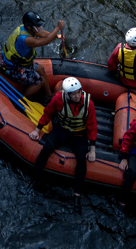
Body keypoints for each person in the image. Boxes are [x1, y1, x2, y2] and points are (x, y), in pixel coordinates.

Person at [29, 76, 97, 213]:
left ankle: (77, 196)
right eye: (74, 94)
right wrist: (37, 130)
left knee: (81, 161)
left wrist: (92, 150)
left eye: (79, 92)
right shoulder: (58, 99)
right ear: (67, 94)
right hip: (62, 130)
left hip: (79, 135)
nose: (77, 96)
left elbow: (92, 126)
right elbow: (47, 113)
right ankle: (34, 181)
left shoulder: (88, 104)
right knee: (46, 149)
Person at [0, 11, 64, 100]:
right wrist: (57, 28)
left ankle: (49, 95)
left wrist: (56, 36)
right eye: (37, 26)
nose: (39, 27)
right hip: (13, 68)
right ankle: (21, 100)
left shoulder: (25, 28)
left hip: (19, 64)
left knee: (40, 68)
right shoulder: (26, 39)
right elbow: (45, 41)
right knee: (40, 81)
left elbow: (41, 33)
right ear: (29, 27)